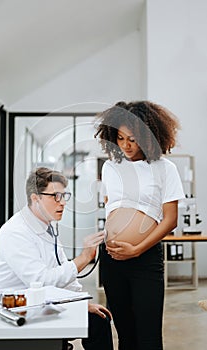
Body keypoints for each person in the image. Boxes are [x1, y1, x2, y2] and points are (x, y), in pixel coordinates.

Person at [0, 167, 114, 350]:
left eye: (64, 196)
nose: (62, 203)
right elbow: (42, 280)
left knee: (99, 320)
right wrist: (83, 258)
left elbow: (60, 268)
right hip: (6, 310)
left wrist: (83, 302)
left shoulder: (48, 227)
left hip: (37, 304)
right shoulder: (15, 232)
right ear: (35, 198)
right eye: (55, 196)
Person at [94, 100, 185, 350]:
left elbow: (170, 219)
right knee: (125, 335)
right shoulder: (110, 167)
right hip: (112, 259)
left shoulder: (165, 169)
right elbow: (112, 208)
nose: (125, 145)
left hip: (145, 259)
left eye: (132, 138)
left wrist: (137, 249)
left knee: (149, 337)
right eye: (120, 138)